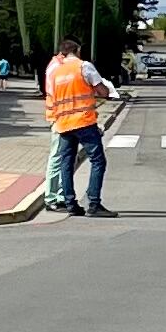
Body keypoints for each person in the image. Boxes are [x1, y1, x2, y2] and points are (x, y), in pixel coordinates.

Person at [46, 38, 118, 218]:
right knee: (98, 161)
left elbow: (53, 96)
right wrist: (103, 92)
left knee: (66, 163)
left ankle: (70, 203)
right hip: (83, 121)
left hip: (63, 123)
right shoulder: (83, 66)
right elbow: (103, 91)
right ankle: (94, 203)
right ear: (77, 50)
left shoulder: (55, 72)